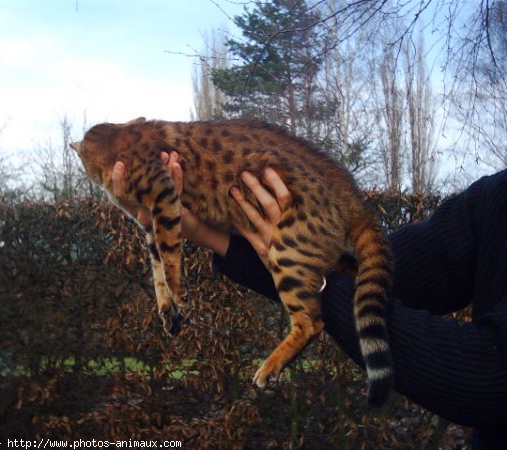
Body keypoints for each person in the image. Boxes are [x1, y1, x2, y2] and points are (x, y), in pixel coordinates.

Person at [112, 153, 507, 450]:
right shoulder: (494, 199)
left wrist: (311, 278)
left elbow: (486, 377)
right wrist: (208, 234)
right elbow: (375, 274)